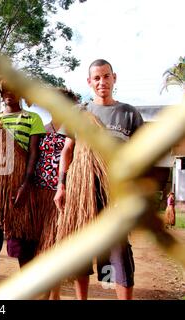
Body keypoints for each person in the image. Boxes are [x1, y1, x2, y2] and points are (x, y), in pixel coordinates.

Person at [54, 59, 144, 300]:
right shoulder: (79, 113)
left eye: (106, 76)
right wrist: (61, 186)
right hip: (82, 189)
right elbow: (67, 151)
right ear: (89, 82)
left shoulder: (129, 113)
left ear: (114, 77)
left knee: (118, 250)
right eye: (96, 78)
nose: (101, 82)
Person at [0, 78, 45, 298]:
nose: (10, 93)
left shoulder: (32, 119)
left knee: (23, 240)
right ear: (0, 94)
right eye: (6, 90)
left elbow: (34, 154)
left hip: (18, 187)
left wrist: (26, 184)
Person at [34, 88, 79, 300]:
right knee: (42, 244)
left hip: (63, 193)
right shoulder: (42, 128)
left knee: (56, 243)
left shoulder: (74, 130)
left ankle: (55, 294)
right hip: (41, 192)